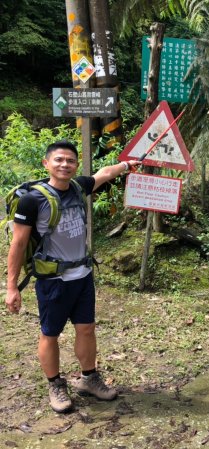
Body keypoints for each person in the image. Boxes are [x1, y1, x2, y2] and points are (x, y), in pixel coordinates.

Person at [4, 140, 142, 413]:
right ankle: (55, 384)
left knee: (86, 328)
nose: (65, 165)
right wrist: (11, 287)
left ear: (76, 165)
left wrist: (127, 165)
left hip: (82, 276)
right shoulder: (33, 200)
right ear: (46, 164)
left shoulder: (78, 187)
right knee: (50, 333)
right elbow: (18, 244)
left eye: (70, 160)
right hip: (53, 280)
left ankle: (89, 378)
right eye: (58, 160)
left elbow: (103, 174)